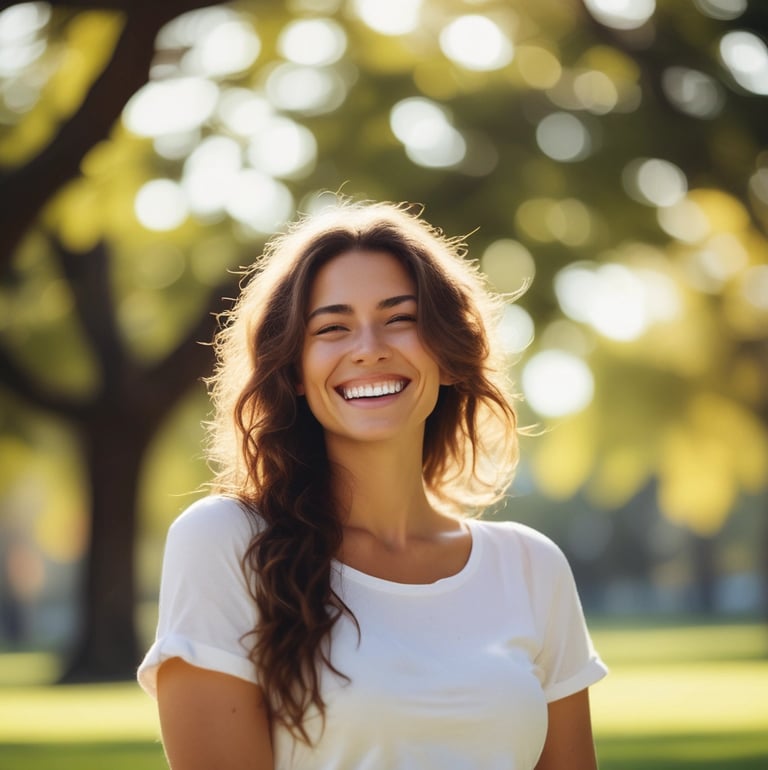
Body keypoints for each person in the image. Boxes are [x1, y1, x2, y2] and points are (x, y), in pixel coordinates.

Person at [137, 199, 608, 770]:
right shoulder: (226, 543)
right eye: (332, 327)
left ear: (448, 352)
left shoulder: (533, 567)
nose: (368, 347)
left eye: (401, 318)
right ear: (293, 371)